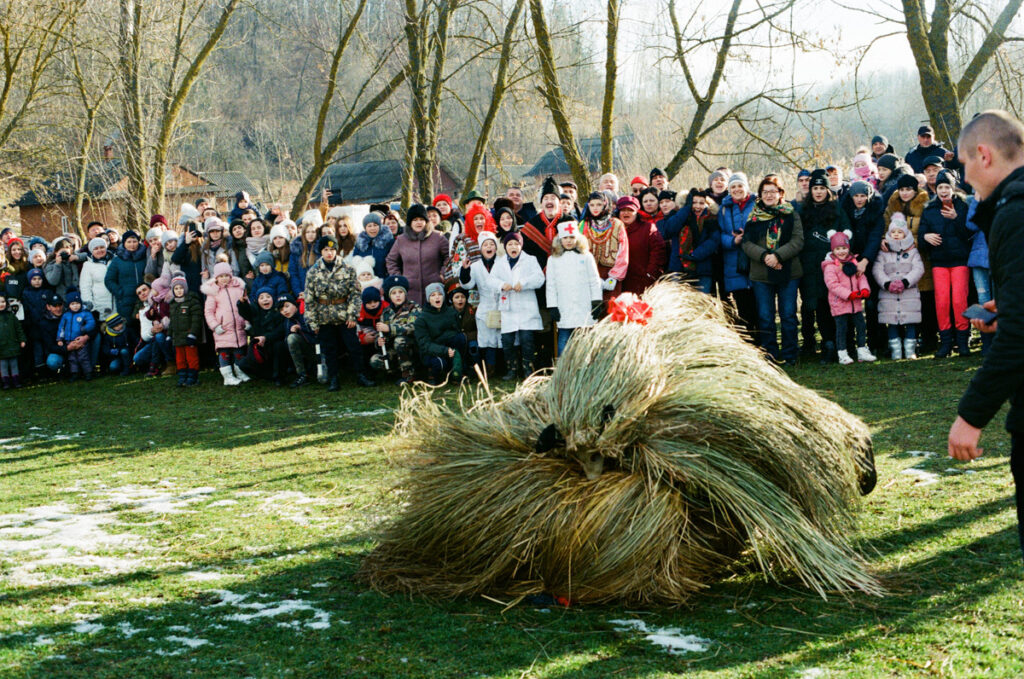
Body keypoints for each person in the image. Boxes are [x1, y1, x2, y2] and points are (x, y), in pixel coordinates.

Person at [948, 110, 1024, 562]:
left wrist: (971, 415)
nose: (965, 176)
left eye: (963, 164)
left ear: (984, 154)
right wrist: (1008, 305)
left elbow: (1020, 336)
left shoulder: (1015, 214)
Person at [741, 176, 804, 365]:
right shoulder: (754, 215)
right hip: (761, 273)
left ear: (780, 194)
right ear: (760, 195)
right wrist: (765, 257)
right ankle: (770, 353)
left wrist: (777, 256)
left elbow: (798, 240)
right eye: (765, 192)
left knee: (788, 314)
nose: (769, 195)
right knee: (765, 316)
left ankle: (790, 353)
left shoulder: (791, 214)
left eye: (773, 191)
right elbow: (747, 243)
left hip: (788, 272)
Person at [304, 235, 375, 390]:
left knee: (354, 346)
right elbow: (309, 299)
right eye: (326, 250)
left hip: (344, 313)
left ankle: (361, 375)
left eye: (332, 249)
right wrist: (312, 321)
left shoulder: (347, 268)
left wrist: (352, 315)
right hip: (324, 315)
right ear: (321, 251)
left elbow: (356, 294)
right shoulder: (313, 272)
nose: (329, 253)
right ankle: (333, 378)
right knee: (329, 349)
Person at [918, 169, 973, 357]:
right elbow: (921, 236)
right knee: (942, 302)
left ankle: (962, 341)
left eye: (946, 187)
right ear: (936, 189)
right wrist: (925, 236)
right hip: (939, 261)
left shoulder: (963, 206)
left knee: (959, 301)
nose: (943, 191)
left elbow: (969, 234)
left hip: (959, 260)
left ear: (952, 188)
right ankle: (946, 342)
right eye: (940, 187)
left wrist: (956, 219)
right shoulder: (930, 209)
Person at [545, 221, 602, 356]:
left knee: (585, 338)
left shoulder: (586, 256)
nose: (569, 241)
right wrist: (552, 306)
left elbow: (594, 280)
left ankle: (586, 368)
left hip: (584, 304)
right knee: (564, 338)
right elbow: (551, 285)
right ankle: (563, 369)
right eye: (565, 238)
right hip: (564, 305)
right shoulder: (553, 260)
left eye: (572, 237)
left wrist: (596, 301)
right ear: (560, 240)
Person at [873, 213, 924, 360]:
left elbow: (918, 268)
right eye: (893, 232)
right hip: (888, 294)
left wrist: (906, 281)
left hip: (909, 293)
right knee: (892, 321)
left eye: (900, 232)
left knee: (911, 321)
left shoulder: (912, 251)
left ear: (905, 234)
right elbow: (877, 269)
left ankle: (910, 349)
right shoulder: (883, 252)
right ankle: (895, 349)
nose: (896, 235)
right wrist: (887, 283)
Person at [494, 231, 544, 380]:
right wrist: (502, 285)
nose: (513, 247)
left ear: (521, 245)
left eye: (516, 243)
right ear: (505, 246)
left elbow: (540, 278)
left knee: (527, 340)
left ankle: (528, 369)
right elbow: (490, 281)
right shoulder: (500, 262)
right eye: (510, 244)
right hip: (508, 308)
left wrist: (524, 284)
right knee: (507, 341)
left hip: (526, 308)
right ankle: (512, 369)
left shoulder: (530, 260)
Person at [822, 230, 875, 365]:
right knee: (842, 329)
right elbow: (832, 285)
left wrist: (864, 289)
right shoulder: (830, 266)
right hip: (839, 303)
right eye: (838, 248)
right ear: (833, 249)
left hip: (855, 303)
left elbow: (861, 277)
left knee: (861, 326)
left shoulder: (853, 261)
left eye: (844, 248)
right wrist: (848, 294)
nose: (841, 251)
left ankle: (862, 350)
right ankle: (842, 353)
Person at [718, 173, 759, 339]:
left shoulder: (757, 204)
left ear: (746, 187)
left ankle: (765, 344)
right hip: (733, 264)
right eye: (733, 186)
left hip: (756, 261)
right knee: (743, 309)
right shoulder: (723, 209)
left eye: (739, 186)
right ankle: (751, 345)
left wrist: (748, 237)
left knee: (761, 308)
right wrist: (733, 240)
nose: (737, 189)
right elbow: (719, 235)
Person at [459, 231, 504, 375]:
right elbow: (467, 285)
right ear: (481, 248)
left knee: (504, 337)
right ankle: (490, 368)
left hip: (503, 304)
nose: (489, 247)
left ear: (496, 247)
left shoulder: (503, 263)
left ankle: (506, 367)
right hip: (485, 306)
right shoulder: (476, 266)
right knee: (488, 339)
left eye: (492, 244)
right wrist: (464, 271)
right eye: (485, 245)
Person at [385, 204, 448, 306]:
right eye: (415, 220)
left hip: (434, 292)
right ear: (410, 223)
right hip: (410, 293)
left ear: (426, 221)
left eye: (421, 219)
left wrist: (442, 274)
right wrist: (400, 279)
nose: (418, 222)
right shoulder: (401, 240)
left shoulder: (438, 238)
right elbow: (390, 260)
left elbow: (449, 257)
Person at [371, 275, 420, 385]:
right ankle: (393, 372)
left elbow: (413, 327)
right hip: (394, 349)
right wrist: (379, 341)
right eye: (394, 293)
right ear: (389, 296)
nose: (397, 296)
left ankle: (409, 374)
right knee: (375, 360)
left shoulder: (414, 308)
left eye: (400, 292)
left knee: (400, 340)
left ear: (405, 293)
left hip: (412, 347)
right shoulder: (386, 312)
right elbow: (382, 334)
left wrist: (390, 328)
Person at [414, 282, 467, 384]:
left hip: (448, 347)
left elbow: (456, 331)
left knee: (461, 338)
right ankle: (432, 374)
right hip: (432, 350)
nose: (437, 298)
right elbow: (425, 345)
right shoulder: (421, 319)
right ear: (429, 299)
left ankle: (458, 371)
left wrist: (451, 349)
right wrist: (444, 350)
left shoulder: (451, 312)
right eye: (433, 295)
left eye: (439, 294)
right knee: (440, 364)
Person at [580, 191, 628, 300]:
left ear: (605, 205)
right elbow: (579, 251)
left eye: (599, 204)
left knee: (611, 307)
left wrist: (614, 277)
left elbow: (623, 252)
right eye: (592, 205)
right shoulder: (584, 225)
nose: (595, 208)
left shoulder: (617, 224)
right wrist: (590, 275)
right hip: (590, 273)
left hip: (611, 272)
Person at [618, 195, 666, 295]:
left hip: (643, 283)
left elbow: (658, 253)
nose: (626, 213)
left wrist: (650, 275)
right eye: (623, 210)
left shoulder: (648, 228)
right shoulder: (614, 230)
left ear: (637, 212)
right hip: (619, 283)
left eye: (630, 210)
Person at [105, 229, 148, 318]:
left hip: (144, 298)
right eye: (129, 242)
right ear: (124, 243)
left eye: (134, 241)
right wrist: (120, 292)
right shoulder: (117, 260)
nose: (132, 244)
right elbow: (109, 280)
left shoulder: (145, 257)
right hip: (125, 300)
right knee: (129, 327)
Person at [278, 294, 317, 388]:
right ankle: (302, 374)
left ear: (295, 304)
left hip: (319, 349)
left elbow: (316, 331)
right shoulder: (287, 321)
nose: (285, 311)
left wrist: (301, 328)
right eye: (282, 310)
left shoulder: (306, 312)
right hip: (307, 352)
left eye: (287, 306)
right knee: (291, 338)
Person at [57, 291, 96, 381]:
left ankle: (88, 372)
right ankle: (74, 373)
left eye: (77, 303)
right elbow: (61, 327)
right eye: (73, 304)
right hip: (69, 340)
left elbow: (91, 323)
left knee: (83, 357)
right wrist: (59, 338)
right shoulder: (66, 315)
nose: (75, 306)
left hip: (80, 340)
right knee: (72, 359)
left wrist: (84, 329)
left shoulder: (85, 313)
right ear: (69, 305)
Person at [353, 212, 394, 281]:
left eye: (375, 225)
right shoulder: (360, 243)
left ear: (380, 226)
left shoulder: (388, 241)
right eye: (369, 226)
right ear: (365, 228)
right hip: (365, 282)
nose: (373, 228)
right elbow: (356, 261)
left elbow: (393, 261)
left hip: (384, 280)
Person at [0, 294, 25, 389]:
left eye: (2, 302)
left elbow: (19, 329)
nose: (1, 304)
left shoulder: (11, 316)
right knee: (3, 366)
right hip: (1, 348)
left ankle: (16, 381)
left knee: (14, 364)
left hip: (12, 345)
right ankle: (5, 382)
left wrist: (22, 340)